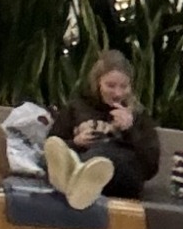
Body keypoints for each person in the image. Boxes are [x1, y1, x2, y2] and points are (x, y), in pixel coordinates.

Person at [48, 49, 162, 206]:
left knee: (104, 153)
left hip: (121, 175)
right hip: (81, 160)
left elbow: (151, 166)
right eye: (111, 86)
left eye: (124, 87)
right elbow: (52, 145)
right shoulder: (78, 107)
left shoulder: (138, 115)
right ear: (97, 83)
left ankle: (78, 179)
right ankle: (78, 180)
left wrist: (129, 130)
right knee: (64, 153)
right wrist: (76, 143)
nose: (118, 93)